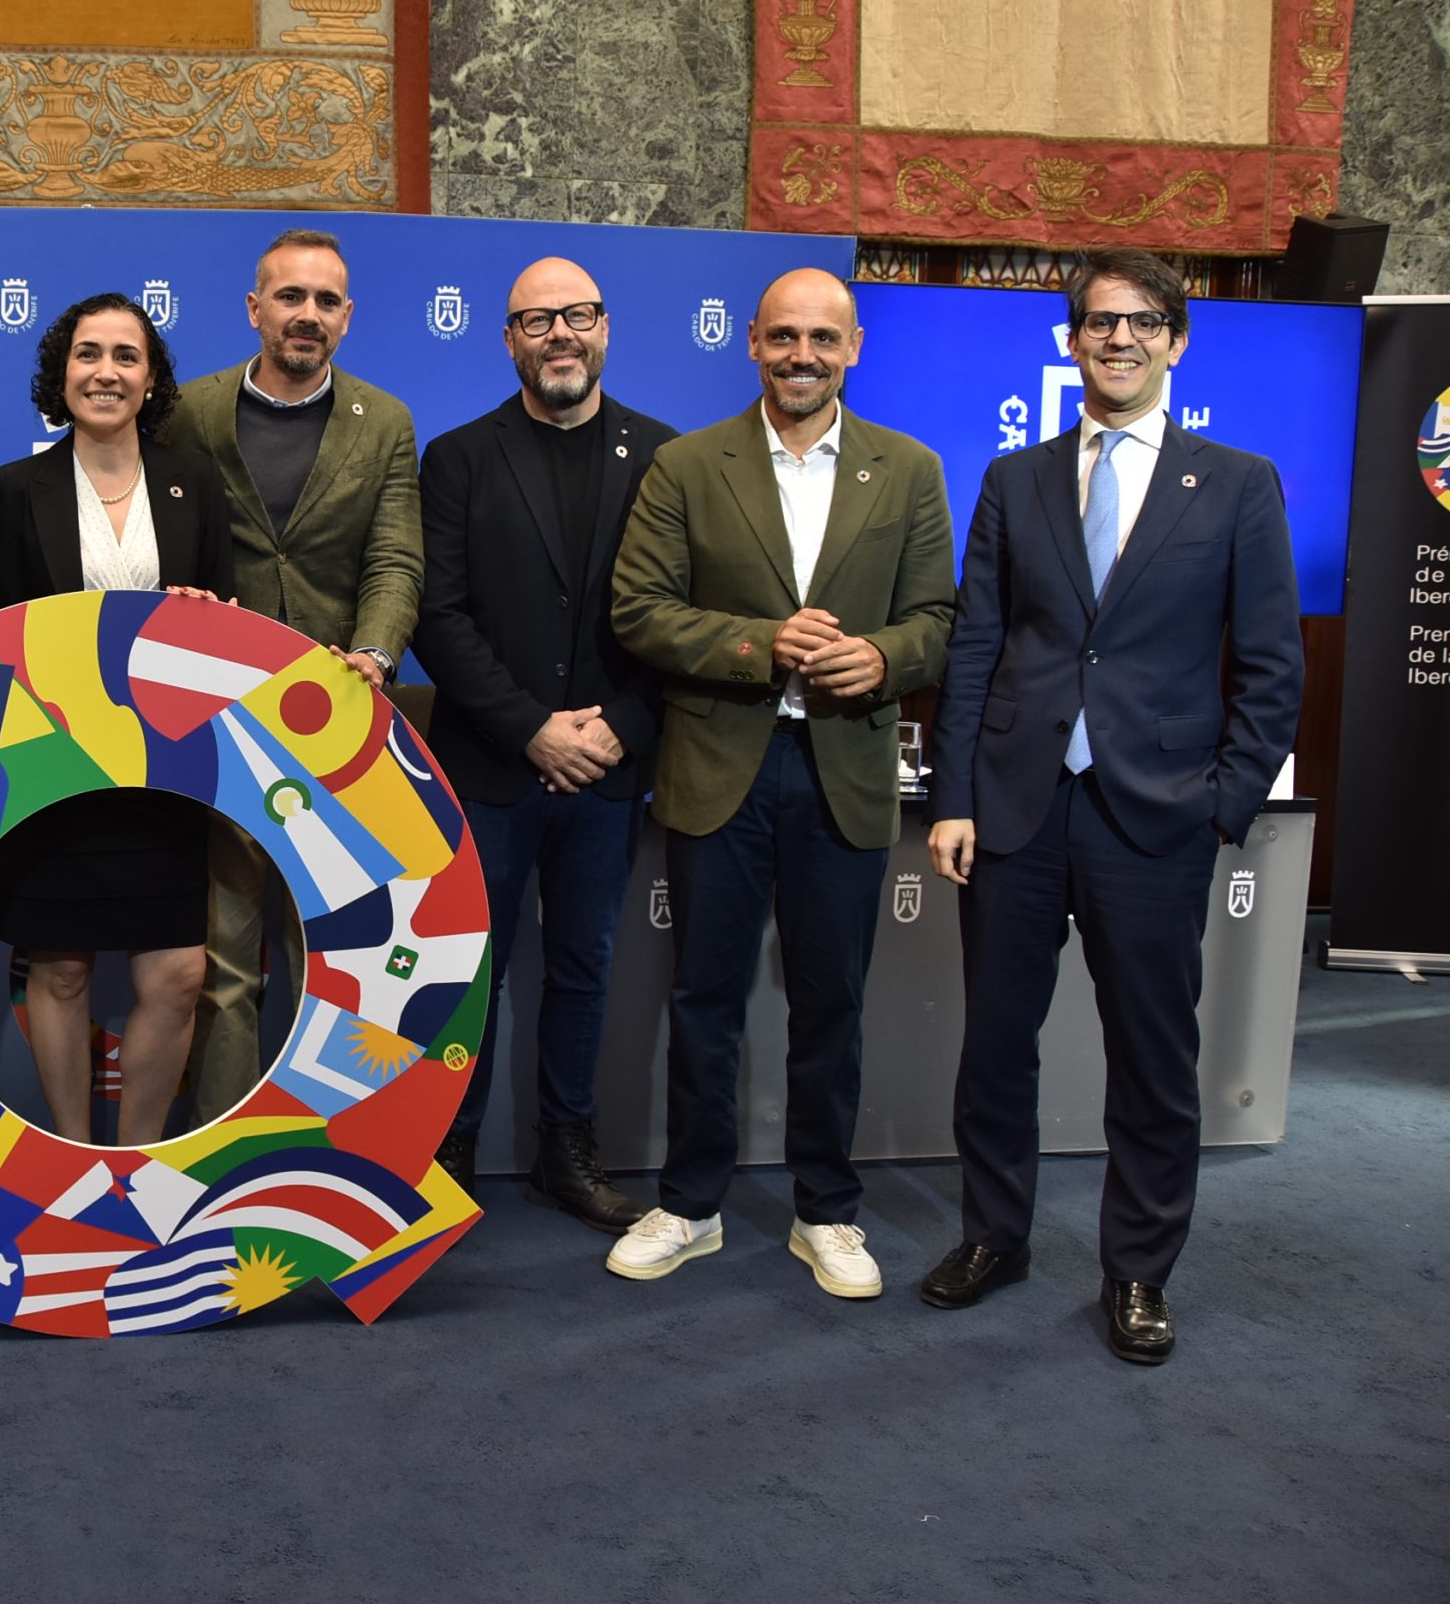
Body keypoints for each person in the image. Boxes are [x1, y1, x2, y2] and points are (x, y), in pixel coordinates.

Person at [921, 249, 1301, 1363]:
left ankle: (1137, 1269)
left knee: (1151, 1057)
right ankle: (994, 1236)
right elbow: (977, 648)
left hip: (1157, 815)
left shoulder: (1237, 483)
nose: (1118, 339)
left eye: (1141, 322)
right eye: (1098, 322)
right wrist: (953, 795)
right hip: (1015, 810)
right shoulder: (1015, 479)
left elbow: (1271, 666)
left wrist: (1223, 802)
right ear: (1072, 340)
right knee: (996, 1046)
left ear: (1175, 340)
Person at [607, 268, 955, 1299]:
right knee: (704, 997)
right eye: (785, 336)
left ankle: (827, 1210)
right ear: (752, 340)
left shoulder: (910, 469)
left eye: (824, 338)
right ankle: (690, 1202)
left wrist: (883, 657)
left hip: (844, 768)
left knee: (831, 1002)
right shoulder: (685, 464)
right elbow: (640, 609)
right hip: (721, 767)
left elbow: (938, 618)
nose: (804, 355)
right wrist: (763, 643)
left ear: (854, 348)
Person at [413, 257, 677, 1222]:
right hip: (490, 767)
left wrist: (617, 729)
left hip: (607, 768)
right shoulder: (458, 458)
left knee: (583, 967)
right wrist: (531, 728)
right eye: (537, 319)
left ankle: (566, 1150)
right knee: (466, 973)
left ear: (606, 328)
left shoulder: (665, 456)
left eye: (577, 315)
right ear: (508, 339)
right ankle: (447, 1151)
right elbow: (438, 617)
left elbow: (682, 615)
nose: (559, 333)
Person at [164, 228, 423, 1128]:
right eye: (289, 296)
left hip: (337, 723)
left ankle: (333, 1157)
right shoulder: (188, 411)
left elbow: (395, 558)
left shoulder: (385, 422)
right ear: (254, 309)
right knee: (227, 965)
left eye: (325, 300)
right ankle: (223, 1156)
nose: (307, 314)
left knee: (338, 965)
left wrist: (375, 655)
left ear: (346, 318)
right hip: (220, 722)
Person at [0, 293, 234, 1145]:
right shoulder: (17, 487)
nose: (106, 372)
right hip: (53, 778)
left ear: (151, 378)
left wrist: (207, 617)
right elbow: (7, 631)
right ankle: (77, 1157)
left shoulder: (195, 481)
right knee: (57, 971)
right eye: (88, 353)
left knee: (178, 972)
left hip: (165, 773)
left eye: (127, 356)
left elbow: (229, 627)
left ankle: (137, 1162)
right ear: (61, 373)